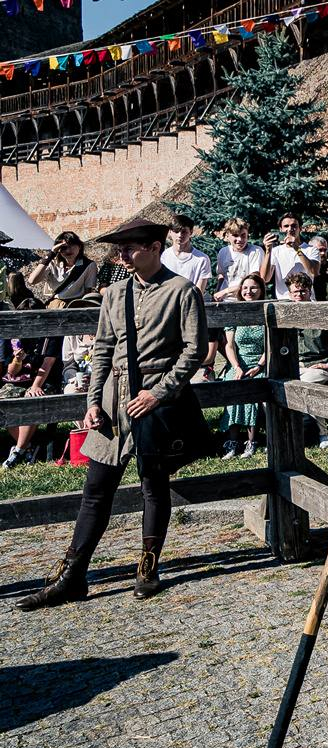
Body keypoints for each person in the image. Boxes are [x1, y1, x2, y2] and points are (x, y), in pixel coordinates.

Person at [15, 218, 207, 610]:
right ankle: (72, 576)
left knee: (154, 486)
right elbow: (103, 349)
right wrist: (92, 403)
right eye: (120, 249)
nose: (122, 255)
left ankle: (148, 568)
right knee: (96, 490)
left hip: (154, 403)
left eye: (130, 248)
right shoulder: (116, 293)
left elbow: (194, 349)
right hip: (112, 404)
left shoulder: (182, 291)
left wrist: (158, 393)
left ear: (154, 248)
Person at [288, 272, 328, 449]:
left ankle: (323, 434)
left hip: (317, 366)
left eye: (303, 291)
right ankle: (285, 434)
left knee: (305, 385)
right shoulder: (286, 313)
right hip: (293, 367)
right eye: (295, 292)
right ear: (290, 294)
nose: (299, 295)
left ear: (310, 291)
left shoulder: (322, 312)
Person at [2, 294, 62, 468]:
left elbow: (47, 363)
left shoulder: (50, 334)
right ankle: (28, 447)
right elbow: (11, 371)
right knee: (4, 400)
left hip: (45, 379)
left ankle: (17, 451)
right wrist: (18, 359)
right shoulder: (15, 337)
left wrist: (35, 385)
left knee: (32, 400)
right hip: (19, 379)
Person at [162, 214, 217, 381]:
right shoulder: (163, 257)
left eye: (184, 231)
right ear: (170, 233)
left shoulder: (201, 259)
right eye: (176, 231)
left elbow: (199, 290)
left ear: (191, 232)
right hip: (167, 308)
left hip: (190, 309)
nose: (180, 235)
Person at [219, 274, 269, 459]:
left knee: (253, 391)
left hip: (260, 364)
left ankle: (251, 441)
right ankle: (232, 442)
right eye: (245, 288)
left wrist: (259, 366)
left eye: (254, 287)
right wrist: (236, 366)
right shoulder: (235, 312)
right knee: (233, 385)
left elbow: (270, 346)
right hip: (239, 363)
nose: (249, 291)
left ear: (261, 290)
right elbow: (229, 346)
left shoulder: (265, 311)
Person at [27, 231, 98, 306]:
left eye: (72, 246)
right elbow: (32, 281)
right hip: (56, 303)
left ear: (79, 246)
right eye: (64, 247)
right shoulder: (52, 263)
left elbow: (88, 291)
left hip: (76, 303)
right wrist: (51, 254)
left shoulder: (89, 265)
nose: (68, 250)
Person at [261, 212, 317, 300]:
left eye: (294, 226)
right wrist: (268, 251)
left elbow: (314, 272)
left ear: (300, 228)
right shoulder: (276, 251)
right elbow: (265, 278)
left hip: (306, 299)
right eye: (286, 226)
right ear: (281, 229)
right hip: (283, 300)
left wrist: (297, 249)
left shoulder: (311, 249)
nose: (290, 229)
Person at [213, 218, 265, 302]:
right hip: (225, 300)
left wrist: (225, 291)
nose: (240, 239)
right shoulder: (223, 252)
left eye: (243, 235)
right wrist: (217, 293)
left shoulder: (255, 251)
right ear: (227, 236)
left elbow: (253, 280)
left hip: (246, 299)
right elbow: (221, 275)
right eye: (235, 235)